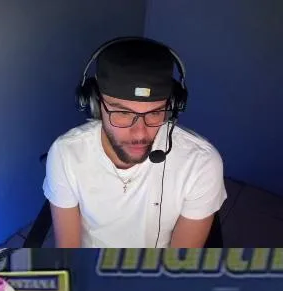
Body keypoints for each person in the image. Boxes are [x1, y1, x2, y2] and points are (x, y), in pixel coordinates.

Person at [44, 37, 226, 249]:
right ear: (94, 104)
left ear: (172, 108)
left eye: (155, 112)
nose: (140, 132)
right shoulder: (66, 153)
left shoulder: (201, 163)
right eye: (123, 113)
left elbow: (180, 261)